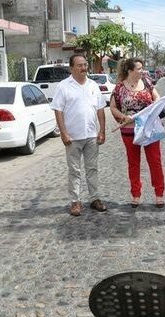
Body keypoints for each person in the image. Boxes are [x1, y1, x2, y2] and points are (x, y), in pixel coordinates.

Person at [51, 54, 108, 216]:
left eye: (85, 65)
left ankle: (94, 198)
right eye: (79, 65)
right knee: (74, 170)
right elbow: (58, 110)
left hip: (91, 135)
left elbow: (100, 109)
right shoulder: (63, 86)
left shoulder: (93, 85)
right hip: (72, 137)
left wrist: (102, 130)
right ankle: (75, 202)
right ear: (71, 68)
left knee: (92, 168)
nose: (83, 68)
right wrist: (63, 133)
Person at [110, 58, 165, 208]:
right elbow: (113, 107)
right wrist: (123, 117)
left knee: (155, 161)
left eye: (142, 68)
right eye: (139, 68)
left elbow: (157, 98)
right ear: (130, 70)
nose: (142, 71)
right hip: (129, 129)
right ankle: (136, 194)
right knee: (133, 163)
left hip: (149, 129)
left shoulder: (147, 82)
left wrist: (154, 107)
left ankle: (159, 194)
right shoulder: (120, 88)